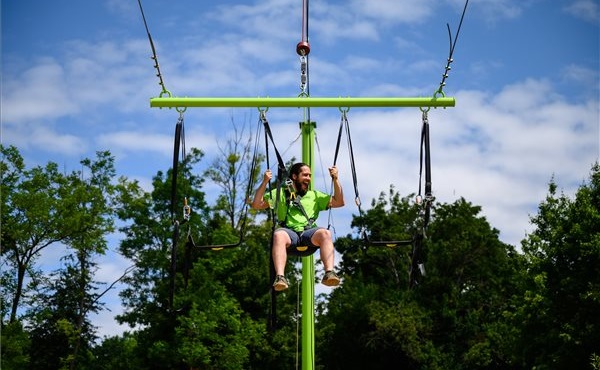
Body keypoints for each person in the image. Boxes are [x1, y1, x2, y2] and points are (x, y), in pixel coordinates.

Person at [251, 162, 345, 291]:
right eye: (305, 175)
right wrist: (265, 182)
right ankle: (280, 277)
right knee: (278, 234)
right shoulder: (280, 193)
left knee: (325, 233)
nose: (308, 178)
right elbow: (256, 204)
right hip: (290, 234)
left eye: (310, 176)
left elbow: (339, 202)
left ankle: (329, 273)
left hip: (309, 234)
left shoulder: (315, 195)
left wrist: (335, 179)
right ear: (294, 176)